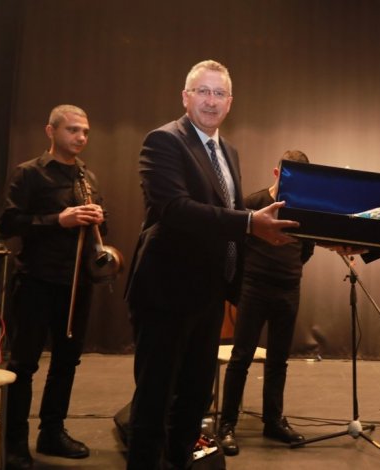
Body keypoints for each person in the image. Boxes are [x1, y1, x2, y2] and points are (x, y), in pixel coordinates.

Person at [124, 59, 299, 470]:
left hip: (209, 296)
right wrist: (250, 223)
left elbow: (225, 219)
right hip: (165, 294)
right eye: (202, 91)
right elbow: (175, 209)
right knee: (153, 404)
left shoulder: (228, 151)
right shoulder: (164, 141)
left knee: (194, 401)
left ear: (230, 102)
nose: (211, 100)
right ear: (185, 97)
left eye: (219, 93)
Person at [0, 104, 105, 470]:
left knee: (66, 361)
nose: (81, 137)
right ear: (51, 131)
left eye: (85, 131)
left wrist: (98, 218)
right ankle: (14, 443)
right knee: (23, 364)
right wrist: (58, 220)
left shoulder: (88, 178)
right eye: (73, 130)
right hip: (36, 282)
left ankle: (52, 432)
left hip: (76, 283)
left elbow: (99, 229)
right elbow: (8, 224)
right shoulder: (28, 173)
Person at [218, 150, 315, 456]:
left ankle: (273, 421)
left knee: (278, 360)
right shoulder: (254, 202)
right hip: (254, 288)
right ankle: (227, 424)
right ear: (277, 173)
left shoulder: (307, 209)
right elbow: (236, 243)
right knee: (241, 357)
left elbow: (306, 250)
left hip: (289, 289)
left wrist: (287, 271)